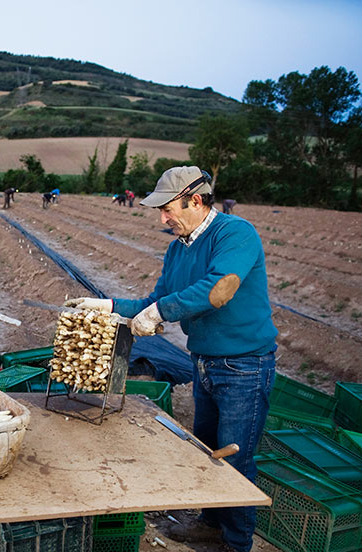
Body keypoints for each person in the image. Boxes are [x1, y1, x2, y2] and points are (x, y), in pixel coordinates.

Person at [64, 166, 277, 552]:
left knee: (236, 456)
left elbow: (218, 289)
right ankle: (212, 524)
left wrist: (160, 312)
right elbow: (153, 301)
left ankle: (237, 542)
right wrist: (109, 305)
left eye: (167, 209)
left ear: (196, 201)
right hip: (205, 363)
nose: (162, 218)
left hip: (244, 366)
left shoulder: (235, 234)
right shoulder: (177, 248)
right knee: (210, 449)